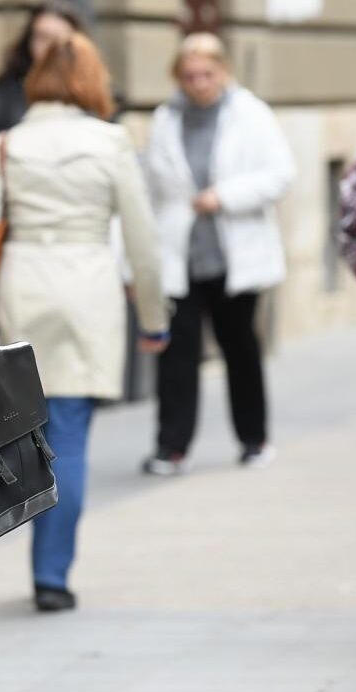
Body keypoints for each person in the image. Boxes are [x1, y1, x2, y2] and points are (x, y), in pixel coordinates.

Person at [0, 33, 167, 613]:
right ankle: (51, 575)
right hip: (88, 287)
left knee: (27, 427)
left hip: (23, 286)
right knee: (70, 433)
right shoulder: (112, 142)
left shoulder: (6, 144)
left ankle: (20, 538)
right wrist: (154, 319)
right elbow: (144, 243)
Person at [141, 32, 295, 475]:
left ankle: (254, 439)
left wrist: (224, 196)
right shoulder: (166, 119)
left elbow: (281, 174)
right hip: (180, 256)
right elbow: (150, 191)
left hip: (234, 257)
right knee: (177, 356)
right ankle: (171, 447)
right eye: (189, 75)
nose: (199, 83)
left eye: (207, 74)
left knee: (241, 350)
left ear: (223, 71)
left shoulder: (250, 113)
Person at [0, 1, 81, 163]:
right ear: (29, 40)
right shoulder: (8, 87)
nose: (51, 48)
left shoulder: (90, 90)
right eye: (42, 37)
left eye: (59, 40)